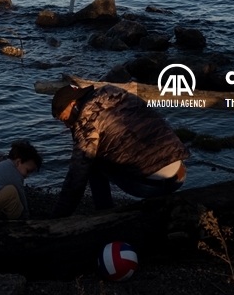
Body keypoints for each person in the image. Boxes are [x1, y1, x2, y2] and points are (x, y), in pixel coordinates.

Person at [50, 83, 189, 218]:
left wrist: (58, 216)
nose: (68, 125)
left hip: (151, 187)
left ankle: (104, 214)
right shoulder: (117, 93)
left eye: (66, 119)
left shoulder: (86, 121)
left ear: (74, 105)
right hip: (180, 174)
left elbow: (76, 178)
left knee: (90, 162)